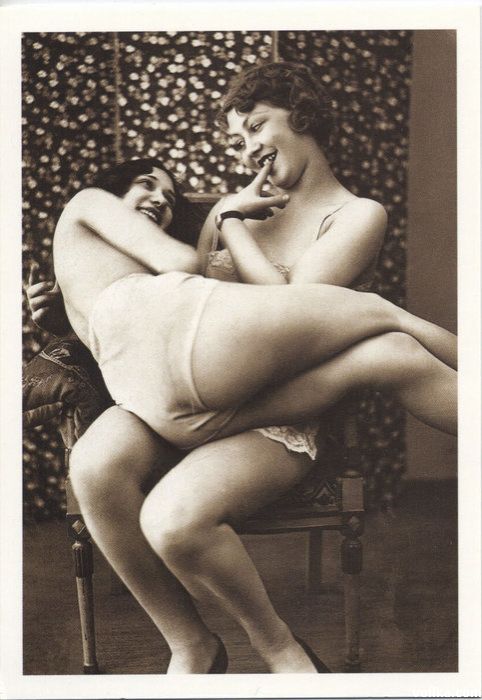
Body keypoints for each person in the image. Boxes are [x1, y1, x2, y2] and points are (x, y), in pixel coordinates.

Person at [27, 63, 457, 674]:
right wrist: (62, 314)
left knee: (176, 523)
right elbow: (162, 311)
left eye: (256, 127)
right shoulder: (233, 209)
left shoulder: (357, 214)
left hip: (273, 405)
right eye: (237, 140)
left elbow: (297, 307)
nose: (248, 149)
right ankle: (190, 643)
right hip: (185, 385)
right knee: (94, 466)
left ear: (302, 116)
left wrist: (231, 221)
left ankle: (280, 648)